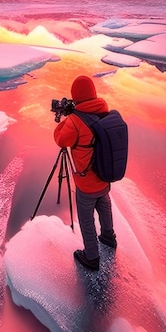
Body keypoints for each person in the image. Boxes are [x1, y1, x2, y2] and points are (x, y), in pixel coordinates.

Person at [53, 75, 117, 271]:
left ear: (76, 96)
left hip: (86, 183)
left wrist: (67, 118)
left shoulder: (75, 121)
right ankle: (108, 237)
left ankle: (91, 257)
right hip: (104, 177)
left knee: (86, 219)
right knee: (104, 207)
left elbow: (60, 140)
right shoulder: (104, 112)